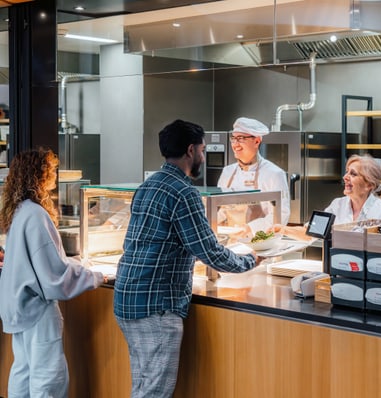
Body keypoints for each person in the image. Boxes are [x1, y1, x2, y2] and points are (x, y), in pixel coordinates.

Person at [113, 119, 260, 397]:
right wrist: (250, 260)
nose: (204, 157)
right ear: (191, 150)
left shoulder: (148, 184)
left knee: (143, 387)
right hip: (155, 305)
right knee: (154, 392)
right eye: (203, 151)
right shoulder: (184, 192)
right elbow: (209, 251)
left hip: (128, 297)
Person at [0, 148, 106, 397]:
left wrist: (77, 263)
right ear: (38, 175)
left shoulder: (20, 211)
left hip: (20, 308)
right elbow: (54, 276)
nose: (55, 176)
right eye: (51, 170)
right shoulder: (36, 215)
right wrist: (95, 276)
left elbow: (41, 262)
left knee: (23, 371)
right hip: (38, 310)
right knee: (47, 377)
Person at [278, 154, 381, 240]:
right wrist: (282, 230)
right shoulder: (337, 206)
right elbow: (313, 233)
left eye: (353, 174)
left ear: (369, 185)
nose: (345, 177)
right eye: (347, 172)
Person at [217, 117, 290, 236]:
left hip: (262, 242)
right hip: (233, 245)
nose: (235, 144)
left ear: (256, 141)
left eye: (240, 139)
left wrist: (250, 228)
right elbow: (222, 208)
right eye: (233, 139)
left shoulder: (274, 173)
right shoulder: (227, 172)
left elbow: (281, 214)